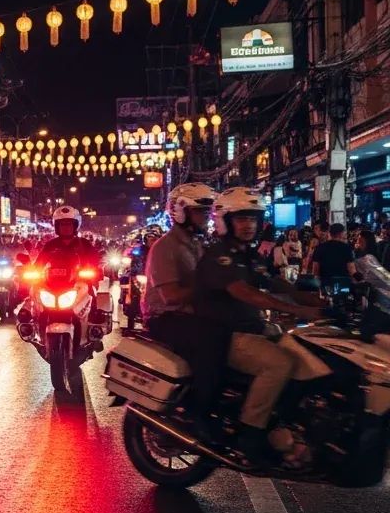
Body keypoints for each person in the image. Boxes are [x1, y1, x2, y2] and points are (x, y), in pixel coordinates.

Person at [194, 187, 324, 465]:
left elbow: (275, 283)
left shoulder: (249, 255)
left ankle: (287, 421)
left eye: (253, 219)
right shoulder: (220, 255)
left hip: (255, 330)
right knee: (278, 364)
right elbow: (247, 293)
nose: (249, 225)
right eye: (241, 219)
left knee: (306, 352)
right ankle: (250, 432)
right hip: (227, 335)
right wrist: (298, 309)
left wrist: (318, 300)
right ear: (225, 221)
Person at [142, 183, 227, 440]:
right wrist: (210, 286)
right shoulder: (165, 247)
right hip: (166, 318)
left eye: (207, 212)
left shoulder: (197, 244)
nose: (205, 217)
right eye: (200, 212)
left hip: (190, 313)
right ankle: (196, 412)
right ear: (181, 212)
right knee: (212, 344)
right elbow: (171, 297)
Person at [35, 206, 100, 271]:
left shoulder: (84, 244)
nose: (66, 227)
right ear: (57, 227)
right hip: (53, 279)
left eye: (69, 224)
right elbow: (39, 264)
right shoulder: (50, 245)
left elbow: (95, 261)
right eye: (63, 224)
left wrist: (95, 270)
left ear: (74, 226)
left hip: (80, 280)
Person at [310, 222, 356, 292]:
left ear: (330, 233)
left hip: (325, 285)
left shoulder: (320, 248)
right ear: (341, 233)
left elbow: (315, 271)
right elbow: (351, 270)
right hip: (343, 285)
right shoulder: (346, 248)